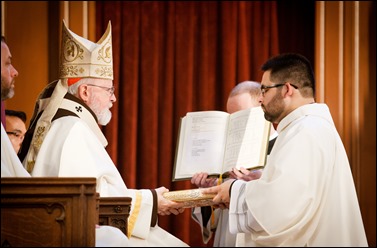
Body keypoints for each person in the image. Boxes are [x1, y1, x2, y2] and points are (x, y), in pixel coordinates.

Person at [18, 20, 188, 247]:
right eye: (109, 90)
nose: (113, 98)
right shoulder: (72, 129)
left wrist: (152, 199)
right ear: (85, 92)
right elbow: (89, 202)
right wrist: (152, 200)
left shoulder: (66, 124)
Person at [203, 53, 368, 246]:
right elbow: (293, 193)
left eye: (264, 90)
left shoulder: (306, 131)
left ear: (287, 89)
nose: (261, 100)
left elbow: (283, 207)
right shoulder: (302, 128)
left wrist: (234, 190)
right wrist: (261, 181)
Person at [190, 81, 277, 246]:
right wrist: (209, 190)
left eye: (241, 117)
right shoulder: (226, 155)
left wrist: (259, 181)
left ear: (262, 105)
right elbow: (215, 221)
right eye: (231, 119)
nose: (235, 126)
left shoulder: (284, 149)